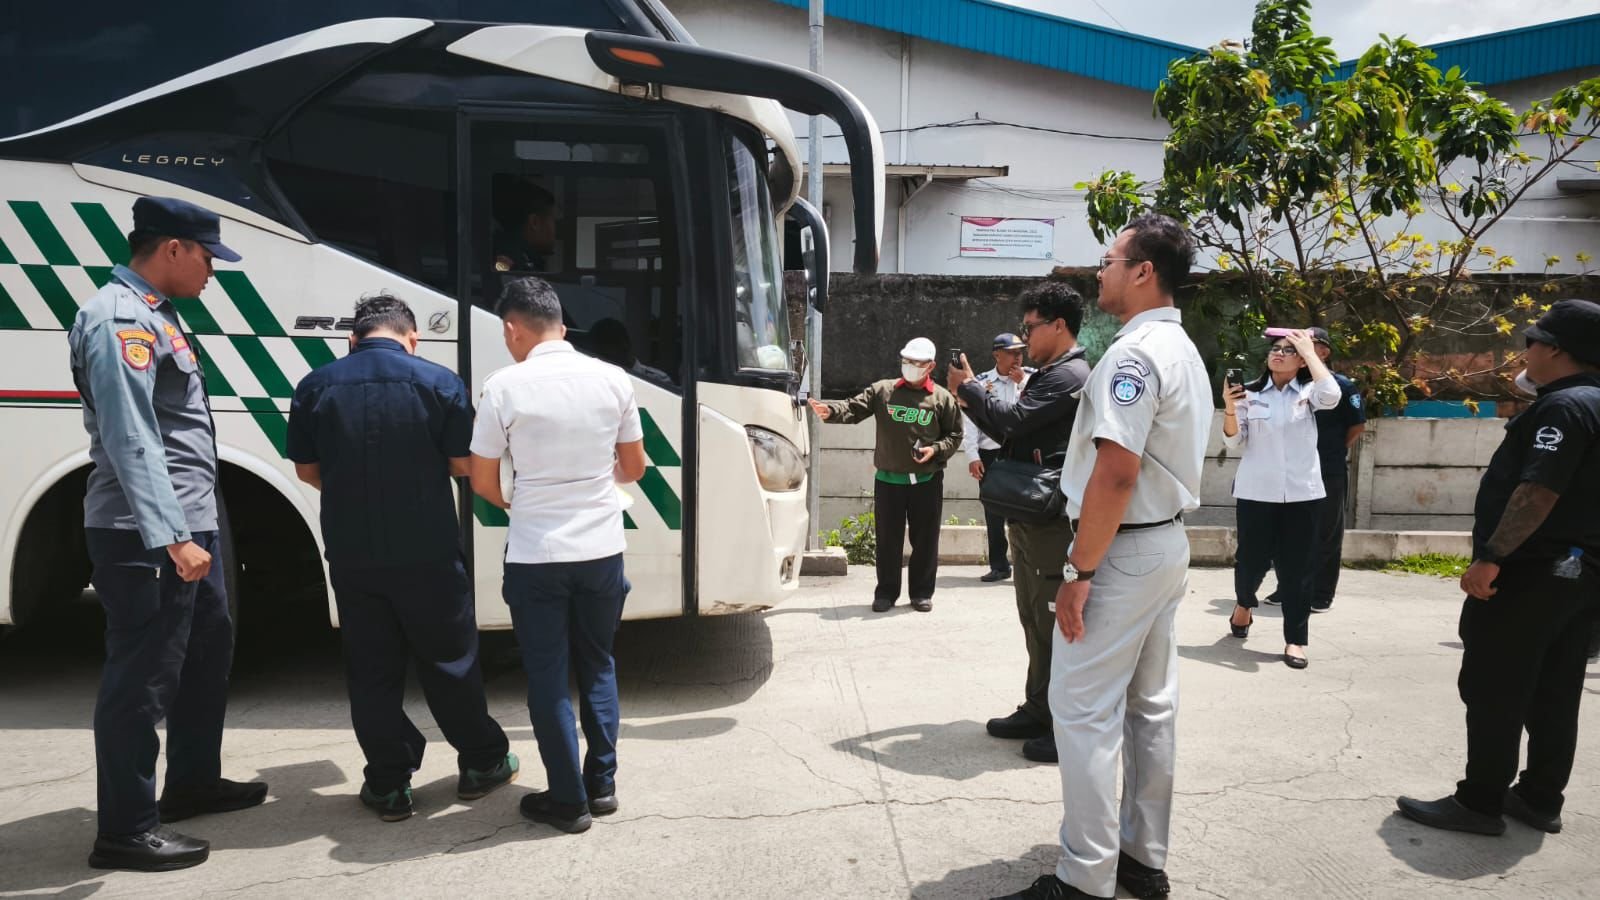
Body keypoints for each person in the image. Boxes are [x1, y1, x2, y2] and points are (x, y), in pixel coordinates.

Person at [994, 213, 1210, 900]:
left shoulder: (1133, 356)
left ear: (1143, 271)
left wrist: (1078, 574)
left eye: (1110, 260)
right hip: (1163, 542)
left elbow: (1115, 473)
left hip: (1123, 549)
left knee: (1081, 708)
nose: (1099, 271)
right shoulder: (1181, 349)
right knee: (1150, 709)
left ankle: (1083, 879)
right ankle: (1142, 862)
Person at [68, 197, 266, 872]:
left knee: (207, 648)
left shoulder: (159, 313)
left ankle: (191, 781)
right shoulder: (121, 317)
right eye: (208, 257)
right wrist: (171, 535)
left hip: (189, 520)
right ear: (173, 248)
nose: (213, 270)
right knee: (141, 679)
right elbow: (130, 437)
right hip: (145, 533)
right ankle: (124, 829)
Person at [286, 294, 517, 823]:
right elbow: (463, 464)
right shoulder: (438, 381)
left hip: (353, 551)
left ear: (353, 339)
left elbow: (306, 470)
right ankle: (482, 762)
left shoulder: (316, 385)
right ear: (412, 337)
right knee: (449, 660)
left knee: (371, 670)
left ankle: (389, 784)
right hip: (427, 550)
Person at [1398, 299, 1600, 838]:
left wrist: (1491, 557)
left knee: (1495, 686)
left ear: (1555, 348)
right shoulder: (1594, 403)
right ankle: (1539, 797)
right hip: (1580, 575)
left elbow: (1538, 491)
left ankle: (1480, 801)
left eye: (1533, 339)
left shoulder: (1563, 408)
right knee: (1557, 689)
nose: (1525, 348)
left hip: (1529, 574)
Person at [468, 276, 648, 835]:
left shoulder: (504, 387)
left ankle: (566, 800)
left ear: (512, 329)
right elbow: (635, 467)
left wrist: (521, 501)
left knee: (546, 677)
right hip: (601, 550)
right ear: (562, 327)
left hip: (536, 554)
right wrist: (594, 488)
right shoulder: (613, 380)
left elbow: (481, 479)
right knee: (598, 664)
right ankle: (603, 785)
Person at [951, 290, 1089, 765]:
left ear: (1059, 325)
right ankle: (1038, 707)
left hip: (1055, 519)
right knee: (1034, 615)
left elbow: (1010, 423)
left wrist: (969, 389)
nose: (1025, 338)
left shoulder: (1070, 375)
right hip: (1032, 514)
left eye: (1030, 327)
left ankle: (1064, 723)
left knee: (1057, 622)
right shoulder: (1050, 374)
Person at [808, 338, 963, 613]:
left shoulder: (941, 398)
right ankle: (886, 593)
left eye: (917, 363)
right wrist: (830, 411)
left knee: (925, 541)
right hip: (889, 481)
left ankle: (921, 593)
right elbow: (853, 408)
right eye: (906, 361)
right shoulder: (884, 391)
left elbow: (954, 434)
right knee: (888, 541)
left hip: (926, 481)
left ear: (931, 366)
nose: (911, 367)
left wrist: (936, 449)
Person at [1221, 330, 1341, 669]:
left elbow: (1332, 395)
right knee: (1251, 562)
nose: (1279, 354)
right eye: (1275, 349)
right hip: (1256, 493)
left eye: (1289, 351)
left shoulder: (1310, 392)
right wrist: (1231, 408)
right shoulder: (1251, 395)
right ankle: (1244, 604)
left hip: (1303, 494)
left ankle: (1295, 640)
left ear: (1301, 359)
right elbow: (1234, 442)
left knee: (1298, 569)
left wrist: (1310, 352)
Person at [1264, 327, 1365, 611]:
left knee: (1326, 533)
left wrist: (1330, 452)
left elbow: (1356, 426)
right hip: (1293, 471)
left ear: (1323, 351)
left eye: (1309, 344)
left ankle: (1321, 593)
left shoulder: (1340, 386)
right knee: (1289, 533)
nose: (1299, 348)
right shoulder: (1292, 383)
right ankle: (1287, 587)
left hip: (1327, 470)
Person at [959, 332, 1034, 583]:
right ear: (996, 355)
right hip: (991, 454)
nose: (1017, 357)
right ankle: (999, 566)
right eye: (1012, 353)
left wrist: (1022, 382)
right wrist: (972, 454)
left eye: (1020, 352)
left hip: (1022, 455)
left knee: (1024, 511)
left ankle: (1026, 563)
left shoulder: (1032, 378)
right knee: (993, 511)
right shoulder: (981, 382)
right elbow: (970, 419)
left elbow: (1033, 410)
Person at [491, 175, 559, 273]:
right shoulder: (515, 263)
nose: (555, 230)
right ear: (534, 222)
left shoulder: (520, 257)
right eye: (552, 220)